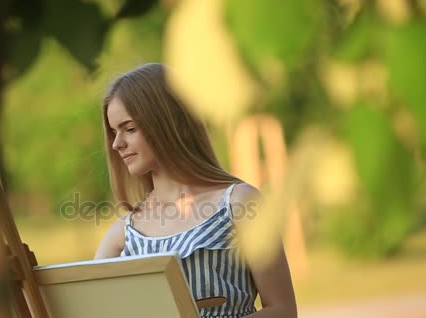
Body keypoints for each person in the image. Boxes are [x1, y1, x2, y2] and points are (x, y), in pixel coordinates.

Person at [94, 63, 297, 318]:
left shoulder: (240, 204)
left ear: (167, 123)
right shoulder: (123, 235)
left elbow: (282, 310)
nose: (116, 144)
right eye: (114, 132)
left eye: (130, 129)